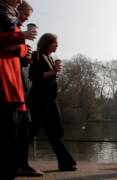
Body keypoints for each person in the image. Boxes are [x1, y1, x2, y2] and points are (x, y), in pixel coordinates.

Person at [28, 33, 77, 171]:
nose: (57, 45)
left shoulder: (50, 57)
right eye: (55, 42)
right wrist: (52, 71)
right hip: (39, 102)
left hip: (49, 101)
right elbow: (33, 76)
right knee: (31, 132)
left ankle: (65, 163)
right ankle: (15, 161)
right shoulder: (37, 55)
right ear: (47, 43)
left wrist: (53, 70)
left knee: (56, 131)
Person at [0, 0, 36, 179]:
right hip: (5, 75)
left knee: (18, 127)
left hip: (13, 78)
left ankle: (18, 166)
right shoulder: (4, 14)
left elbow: (18, 49)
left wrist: (21, 48)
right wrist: (20, 38)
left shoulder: (10, 16)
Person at [14, 0, 44, 177]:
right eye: (24, 14)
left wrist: (26, 56)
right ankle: (19, 164)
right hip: (10, 81)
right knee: (20, 123)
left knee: (24, 123)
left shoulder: (17, 28)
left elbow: (17, 56)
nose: (26, 19)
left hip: (17, 79)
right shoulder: (11, 27)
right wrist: (23, 47)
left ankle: (21, 163)